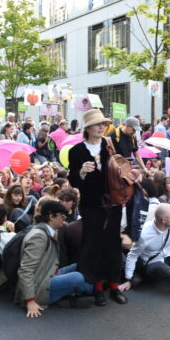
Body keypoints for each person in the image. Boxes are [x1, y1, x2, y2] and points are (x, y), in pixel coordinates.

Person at [68, 109, 127, 306]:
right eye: (97, 124)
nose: (102, 127)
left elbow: (124, 166)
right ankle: (97, 287)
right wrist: (82, 172)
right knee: (94, 244)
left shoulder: (111, 144)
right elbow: (73, 181)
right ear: (88, 128)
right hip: (91, 205)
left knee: (113, 244)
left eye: (103, 124)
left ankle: (114, 285)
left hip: (113, 202)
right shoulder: (76, 151)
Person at [15, 201, 93, 317]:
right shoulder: (39, 236)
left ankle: (87, 288)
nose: (65, 218)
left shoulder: (46, 230)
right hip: (38, 287)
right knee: (78, 278)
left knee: (78, 265)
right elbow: (25, 270)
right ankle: (93, 288)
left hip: (47, 274)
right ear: (51, 216)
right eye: (62, 215)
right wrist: (30, 301)